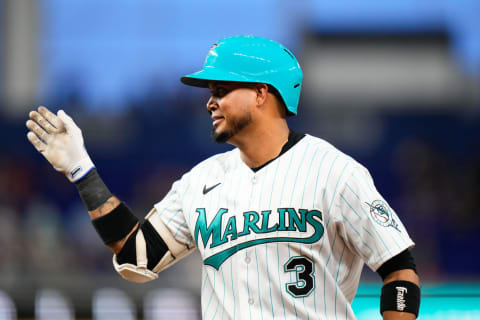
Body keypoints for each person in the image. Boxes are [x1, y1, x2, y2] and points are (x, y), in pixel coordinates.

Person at [26, 35, 420, 319]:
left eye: (222, 88)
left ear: (262, 93)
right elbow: (135, 254)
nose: (210, 101)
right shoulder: (201, 181)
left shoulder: (334, 171)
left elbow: (399, 269)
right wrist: (82, 171)